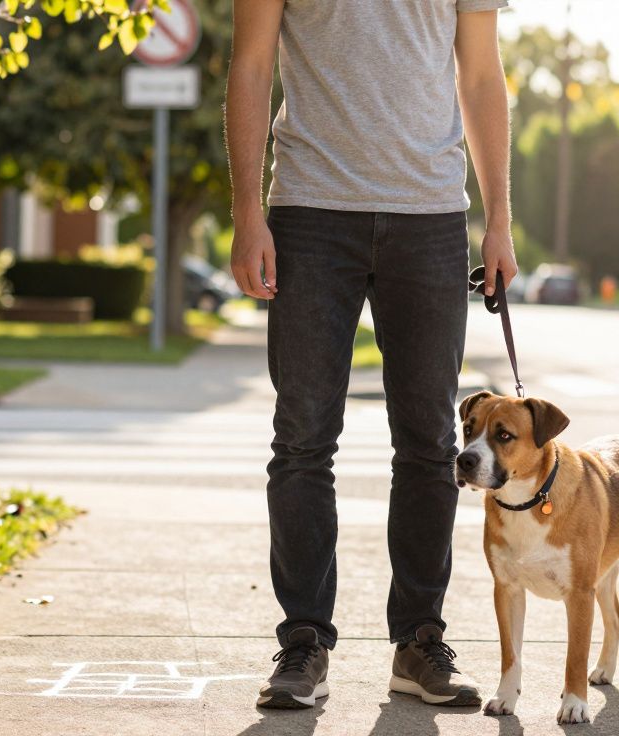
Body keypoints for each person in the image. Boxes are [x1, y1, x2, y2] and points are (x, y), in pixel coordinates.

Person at [225, 0, 516, 711]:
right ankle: (303, 643)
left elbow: (480, 76)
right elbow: (253, 62)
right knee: (301, 440)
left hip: (431, 215)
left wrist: (500, 218)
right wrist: (245, 211)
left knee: (428, 442)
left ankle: (419, 640)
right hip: (309, 211)